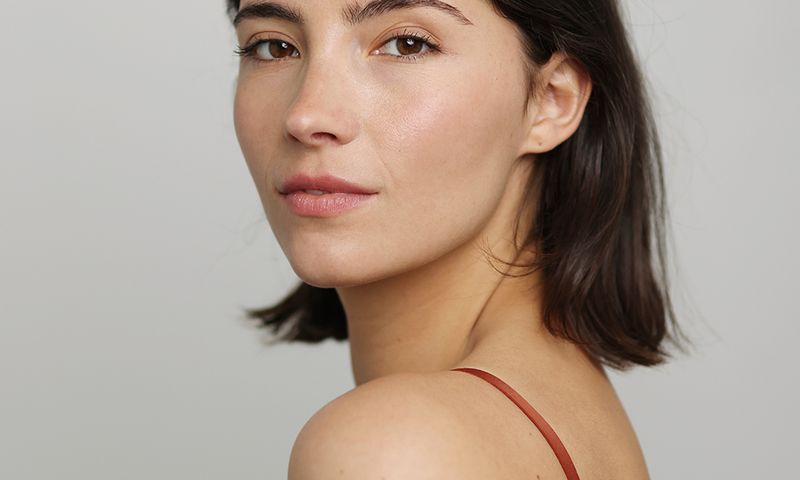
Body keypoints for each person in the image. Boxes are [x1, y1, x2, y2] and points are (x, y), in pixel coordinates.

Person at [226, 0, 690, 478]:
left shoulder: (394, 450)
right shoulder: (558, 409)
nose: (306, 116)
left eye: (406, 44)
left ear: (552, 99)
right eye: (272, 47)